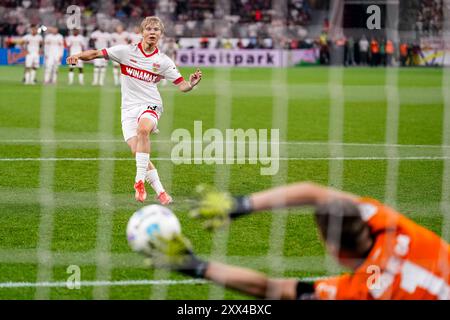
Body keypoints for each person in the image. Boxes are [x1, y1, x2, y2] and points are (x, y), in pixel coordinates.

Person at [147, 182, 450, 300]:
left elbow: (274, 289)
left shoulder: (361, 291)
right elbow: (315, 193)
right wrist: (241, 205)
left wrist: (193, 264)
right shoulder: (392, 227)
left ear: (333, 249)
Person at [66, 16, 202, 204]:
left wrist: (192, 84)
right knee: (137, 151)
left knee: (143, 130)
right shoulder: (125, 51)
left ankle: (138, 181)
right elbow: (96, 54)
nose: (152, 32)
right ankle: (161, 191)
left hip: (151, 104)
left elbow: (182, 86)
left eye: (156, 30)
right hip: (128, 108)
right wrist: (78, 56)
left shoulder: (163, 61)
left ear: (160, 35)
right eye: (149, 29)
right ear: (142, 32)